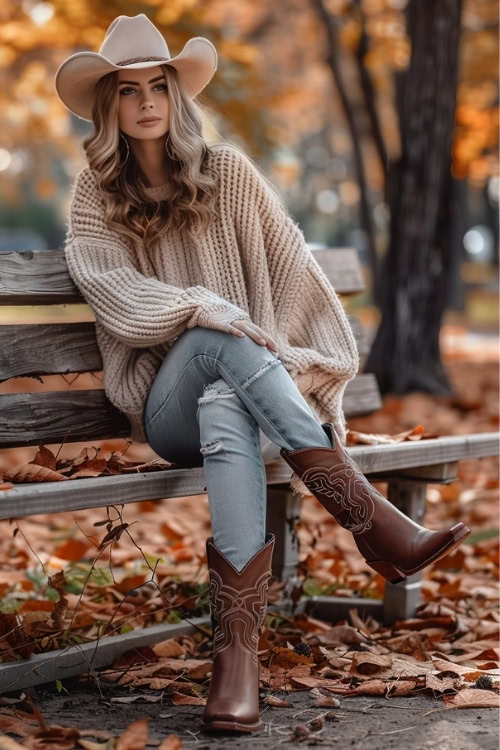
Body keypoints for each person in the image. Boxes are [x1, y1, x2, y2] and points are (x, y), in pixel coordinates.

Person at [54, 14, 471, 735]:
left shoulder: (231, 175)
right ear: (110, 106)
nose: (148, 101)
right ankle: (371, 523)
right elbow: (113, 294)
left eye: (160, 85)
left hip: (241, 401)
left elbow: (298, 277)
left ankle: (236, 664)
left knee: (225, 393)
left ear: (178, 96)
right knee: (217, 344)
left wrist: (299, 360)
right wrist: (201, 306)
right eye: (129, 91)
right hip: (161, 407)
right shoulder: (96, 196)